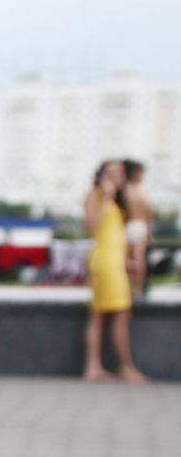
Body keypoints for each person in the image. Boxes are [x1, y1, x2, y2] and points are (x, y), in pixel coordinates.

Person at [81, 160, 148, 384]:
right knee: (118, 313)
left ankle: (94, 366)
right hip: (104, 261)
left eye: (119, 172)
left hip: (115, 260)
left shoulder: (122, 201)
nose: (116, 176)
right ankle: (125, 367)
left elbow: (117, 236)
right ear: (101, 174)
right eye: (110, 172)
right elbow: (91, 226)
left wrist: (128, 259)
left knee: (101, 315)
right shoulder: (96, 195)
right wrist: (106, 196)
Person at [122, 159, 153, 299]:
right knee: (137, 259)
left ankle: (130, 288)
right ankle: (137, 289)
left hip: (129, 225)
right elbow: (149, 213)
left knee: (129, 259)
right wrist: (148, 230)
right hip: (138, 225)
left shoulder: (125, 190)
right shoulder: (141, 191)